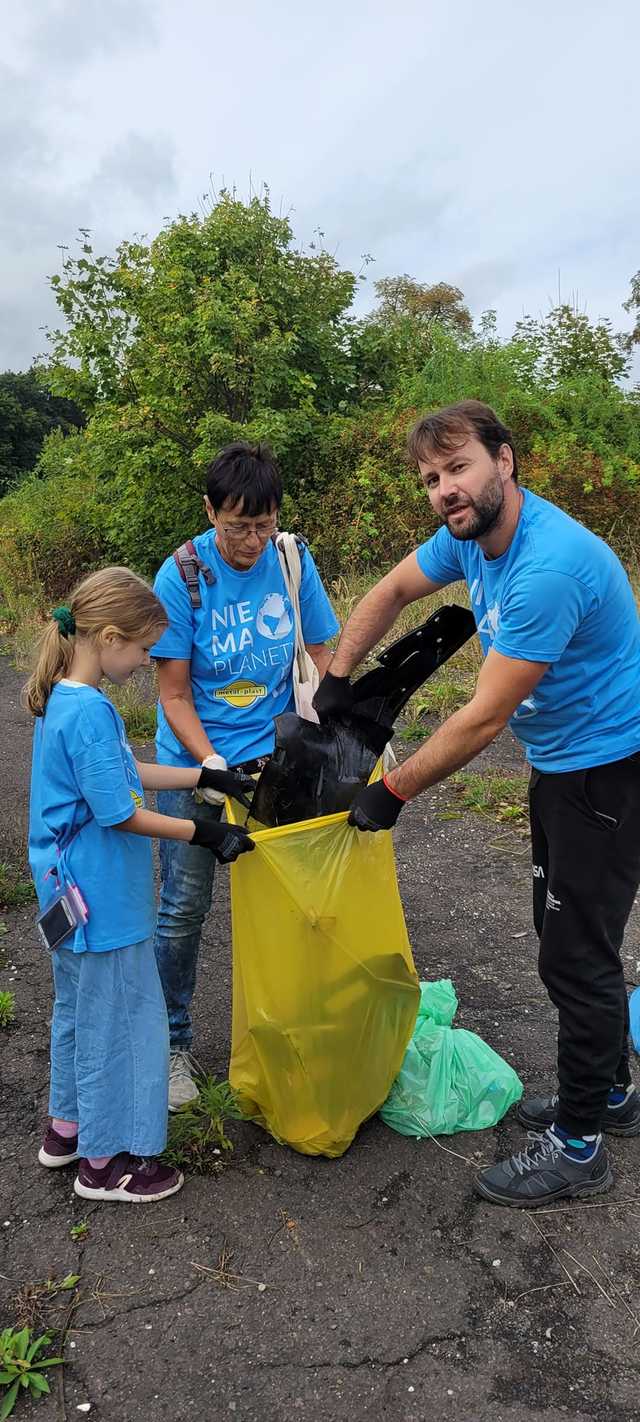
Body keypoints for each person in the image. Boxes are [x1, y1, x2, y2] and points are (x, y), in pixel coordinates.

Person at [313, 399, 640, 1208]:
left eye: (458, 467)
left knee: (575, 955)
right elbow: (390, 591)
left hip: (606, 773)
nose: (443, 489)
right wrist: (334, 684)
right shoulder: (472, 538)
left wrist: (392, 790)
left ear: (505, 461)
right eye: (430, 478)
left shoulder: (548, 567)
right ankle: (610, 1095)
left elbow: (483, 716)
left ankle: (579, 1147)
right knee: (566, 936)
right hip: (565, 764)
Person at [26, 567, 254, 1205]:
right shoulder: (92, 711)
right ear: (108, 636)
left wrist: (208, 776)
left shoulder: (59, 699)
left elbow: (125, 773)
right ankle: (107, 1164)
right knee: (122, 1022)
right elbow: (118, 811)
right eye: (144, 649)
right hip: (103, 901)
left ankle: (67, 1128)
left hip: (63, 893)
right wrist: (202, 835)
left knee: (77, 1009)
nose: (147, 662)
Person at [151, 441, 339, 1108]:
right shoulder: (182, 575)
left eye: (263, 525)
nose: (251, 541)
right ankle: (171, 1047)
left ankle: (291, 1027)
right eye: (237, 526)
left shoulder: (291, 558)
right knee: (184, 909)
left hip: (273, 764)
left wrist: (314, 714)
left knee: (293, 901)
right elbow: (174, 696)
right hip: (197, 769)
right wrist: (211, 765)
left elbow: (318, 647)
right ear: (210, 512)